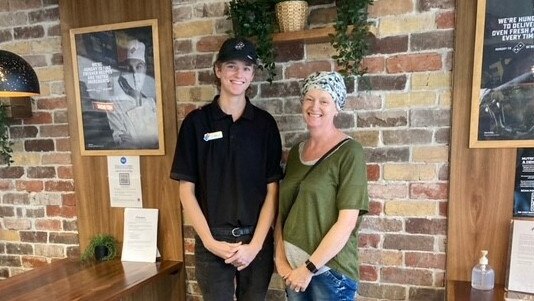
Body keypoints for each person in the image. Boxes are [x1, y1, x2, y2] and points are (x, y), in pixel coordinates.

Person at [170, 37, 283, 300]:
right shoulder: (196, 123)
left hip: (256, 241)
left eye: (246, 68)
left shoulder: (265, 125)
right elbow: (186, 191)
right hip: (212, 241)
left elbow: (272, 190)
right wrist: (210, 242)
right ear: (218, 70)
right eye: (231, 66)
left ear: (253, 75)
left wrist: (254, 246)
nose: (238, 74)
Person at [274, 71, 369, 300]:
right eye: (309, 98)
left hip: (328, 274)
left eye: (324, 101)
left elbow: (346, 223)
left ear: (337, 107)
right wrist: (280, 260)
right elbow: (282, 214)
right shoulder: (296, 153)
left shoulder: (350, 152)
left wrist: (308, 268)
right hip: (293, 273)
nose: (315, 106)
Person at [107, 39, 159, 149]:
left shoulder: (151, 102)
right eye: (130, 68)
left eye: (139, 67)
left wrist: (137, 142)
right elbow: (124, 145)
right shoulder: (114, 105)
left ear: (145, 69)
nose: (135, 73)